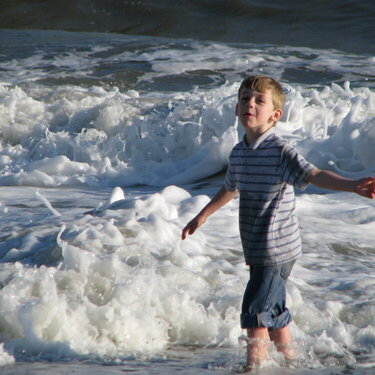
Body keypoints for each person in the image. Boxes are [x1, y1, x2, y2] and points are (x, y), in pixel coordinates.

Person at [181, 75, 375, 369]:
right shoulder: (239, 153)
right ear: (236, 109)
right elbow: (231, 187)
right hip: (257, 247)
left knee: (254, 309)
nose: (250, 104)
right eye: (245, 98)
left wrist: (352, 185)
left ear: (275, 115)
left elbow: (314, 175)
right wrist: (203, 215)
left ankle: (253, 367)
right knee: (273, 308)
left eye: (259, 100)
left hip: (277, 249)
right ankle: (291, 361)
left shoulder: (280, 151)